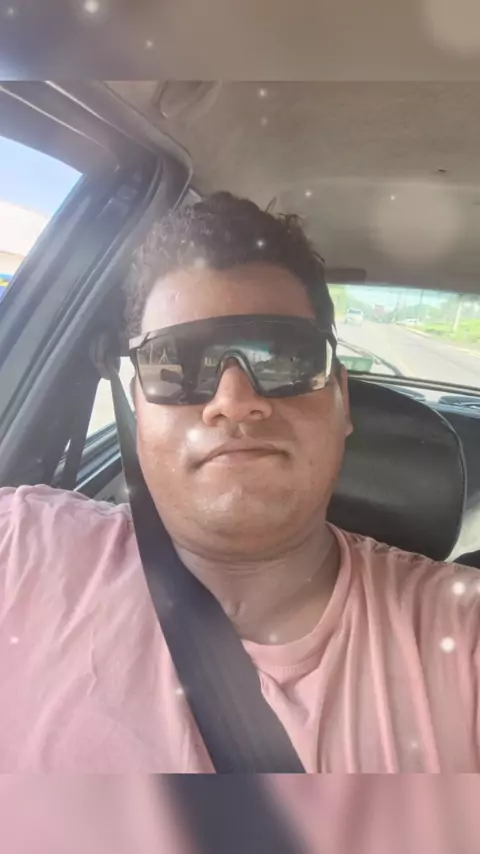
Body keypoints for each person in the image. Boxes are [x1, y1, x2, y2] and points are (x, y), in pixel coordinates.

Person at [0, 192, 478, 772]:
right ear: (138, 406)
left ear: (341, 399)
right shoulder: (20, 546)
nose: (233, 401)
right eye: (179, 363)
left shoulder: (462, 634)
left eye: (283, 357)